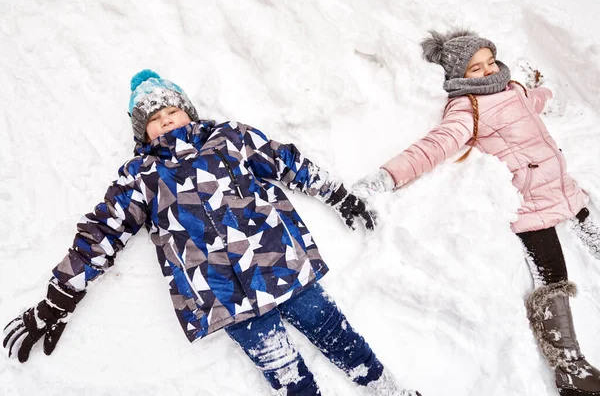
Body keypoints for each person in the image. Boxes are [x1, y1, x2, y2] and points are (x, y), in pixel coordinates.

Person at [2, 70, 421, 396]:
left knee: (337, 334)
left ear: (189, 111)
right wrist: (58, 299)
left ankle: (388, 389)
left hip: (282, 266)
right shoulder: (142, 177)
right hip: (222, 294)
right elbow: (101, 234)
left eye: (172, 112)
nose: (166, 122)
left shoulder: (230, 139)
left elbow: (289, 163)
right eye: (154, 120)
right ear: (142, 133)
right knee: (287, 375)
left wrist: (339, 195)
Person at [352, 29, 600, 396]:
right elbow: (433, 147)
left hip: (565, 189)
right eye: (475, 69)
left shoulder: (513, 89)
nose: (487, 72)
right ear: (457, 77)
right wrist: (387, 176)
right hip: (532, 206)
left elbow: (535, 100)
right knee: (554, 280)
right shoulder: (468, 108)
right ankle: (570, 370)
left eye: (489, 62)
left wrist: (547, 91)